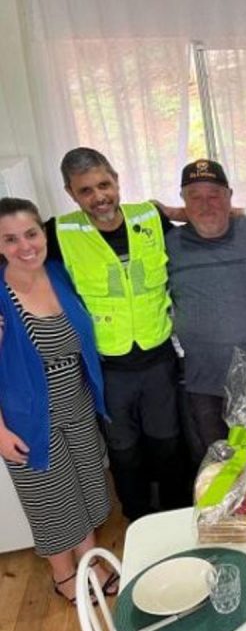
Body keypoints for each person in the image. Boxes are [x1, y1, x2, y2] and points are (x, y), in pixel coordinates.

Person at [46, 147, 187, 521]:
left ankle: (173, 517)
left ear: (117, 180)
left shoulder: (150, 216)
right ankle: (137, 519)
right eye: (86, 191)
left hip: (158, 358)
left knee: (168, 443)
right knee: (124, 451)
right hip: (107, 367)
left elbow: (197, 233)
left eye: (104, 185)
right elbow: (15, 253)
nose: (99, 197)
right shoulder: (61, 231)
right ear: (71, 193)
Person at [0, 197, 116, 604]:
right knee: (49, 498)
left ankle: (89, 559)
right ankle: (64, 575)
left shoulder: (58, 274)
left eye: (31, 234)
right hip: (29, 417)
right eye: (10, 239)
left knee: (85, 485)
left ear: (42, 233)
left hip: (78, 402)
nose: (25, 246)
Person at [165, 160, 246, 463]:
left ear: (230, 195)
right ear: (183, 200)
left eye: (214, 194)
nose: (206, 205)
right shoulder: (168, 245)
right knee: (221, 467)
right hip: (206, 384)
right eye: (194, 196)